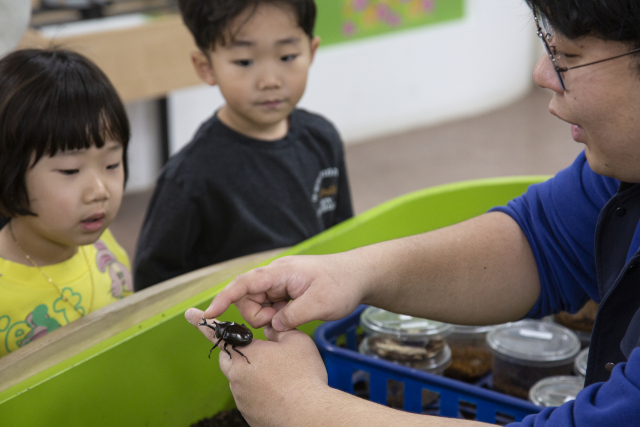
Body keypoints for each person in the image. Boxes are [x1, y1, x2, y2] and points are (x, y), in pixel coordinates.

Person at [185, 0, 640, 426]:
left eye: (566, 56)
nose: (542, 72)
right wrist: (352, 272)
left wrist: (302, 408)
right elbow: (542, 243)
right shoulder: (624, 168)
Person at [133, 0, 353, 290]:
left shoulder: (323, 138)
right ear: (205, 67)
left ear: (311, 52)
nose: (270, 81)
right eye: (244, 62)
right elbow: (154, 282)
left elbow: (344, 236)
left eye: (287, 56)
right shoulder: (190, 176)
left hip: (320, 307)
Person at [0, 48, 134, 358]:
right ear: (8, 174)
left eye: (112, 164)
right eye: (70, 171)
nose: (99, 190)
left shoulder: (107, 249)